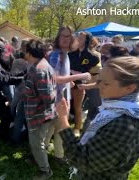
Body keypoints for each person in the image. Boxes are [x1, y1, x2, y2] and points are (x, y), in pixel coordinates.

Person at [57, 56, 139, 180]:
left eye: (106, 83)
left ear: (129, 88)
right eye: (99, 80)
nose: (99, 86)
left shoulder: (126, 124)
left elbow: (84, 160)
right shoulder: (116, 109)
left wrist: (63, 120)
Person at [46, 26, 91, 164]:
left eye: (68, 36)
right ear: (58, 38)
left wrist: (68, 83)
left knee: (53, 126)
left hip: (62, 96)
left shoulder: (65, 54)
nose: (65, 39)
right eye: (62, 36)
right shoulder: (56, 55)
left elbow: (61, 76)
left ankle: (43, 146)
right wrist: (78, 76)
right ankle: (59, 156)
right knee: (60, 127)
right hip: (57, 98)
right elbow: (54, 78)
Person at [22, 39, 57, 179]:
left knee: (37, 143)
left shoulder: (39, 70)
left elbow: (48, 97)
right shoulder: (38, 65)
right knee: (38, 141)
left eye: (25, 51)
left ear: (30, 53)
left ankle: (46, 171)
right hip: (39, 113)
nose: (23, 54)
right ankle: (36, 158)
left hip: (39, 115)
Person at [68, 31, 100, 136]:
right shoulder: (71, 54)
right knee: (66, 106)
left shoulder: (93, 56)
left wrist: (80, 73)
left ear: (87, 41)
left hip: (80, 85)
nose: (78, 39)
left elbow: (91, 73)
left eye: (81, 38)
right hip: (68, 83)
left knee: (77, 107)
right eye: (78, 37)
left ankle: (77, 128)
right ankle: (64, 126)